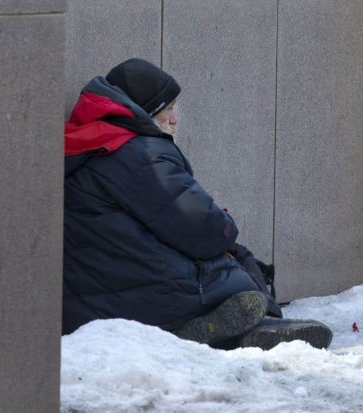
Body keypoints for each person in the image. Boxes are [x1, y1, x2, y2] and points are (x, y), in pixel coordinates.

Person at [63, 58, 332, 351]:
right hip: (146, 296)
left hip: (87, 300)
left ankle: (244, 327)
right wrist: (226, 227)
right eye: (167, 109)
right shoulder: (139, 154)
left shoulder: (88, 145)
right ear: (144, 111)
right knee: (234, 256)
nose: (174, 119)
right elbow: (205, 229)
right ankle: (255, 322)